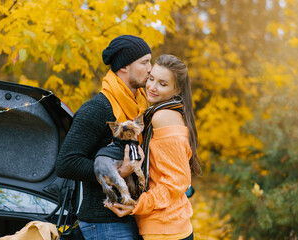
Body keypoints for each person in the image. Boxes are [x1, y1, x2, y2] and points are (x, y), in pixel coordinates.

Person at [56, 35, 152, 240]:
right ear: (124, 67)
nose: (150, 68)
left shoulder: (142, 106)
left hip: (133, 216)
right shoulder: (98, 108)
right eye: (144, 62)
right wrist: (118, 171)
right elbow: (66, 163)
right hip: (105, 223)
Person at [105, 54, 202, 240]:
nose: (152, 87)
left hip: (166, 230)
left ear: (177, 89)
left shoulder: (162, 117)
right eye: (151, 79)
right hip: (165, 227)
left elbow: (177, 180)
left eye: (162, 84)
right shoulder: (164, 112)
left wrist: (137, 205)